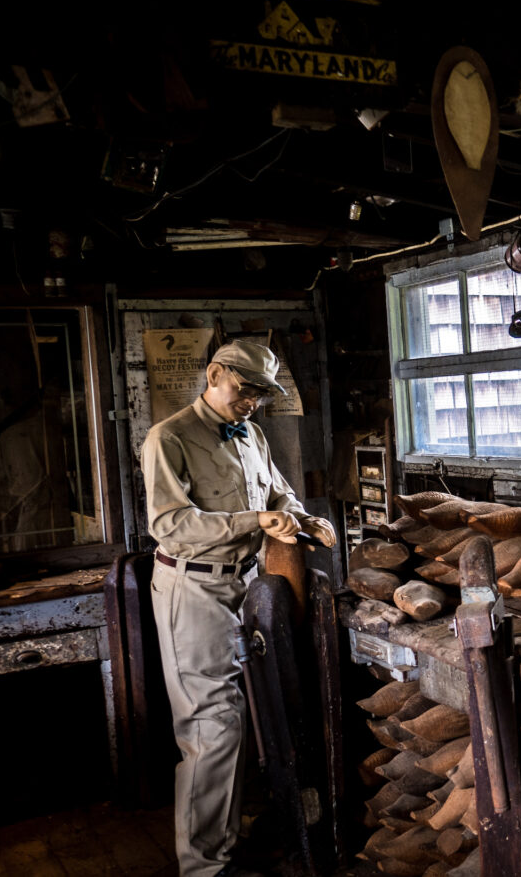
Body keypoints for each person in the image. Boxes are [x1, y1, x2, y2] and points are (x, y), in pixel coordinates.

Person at [141, 340, 335, 877]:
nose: (252, 402)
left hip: (246, 582)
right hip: (193, 587)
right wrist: (254, 522)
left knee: (249, 713)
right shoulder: (169, 437)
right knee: (212, 726)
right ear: (214, 374)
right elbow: (169, 524)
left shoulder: (251, 434)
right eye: (245, 390)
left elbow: (277, 495)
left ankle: (228, 835)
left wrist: (303, 518)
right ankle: (205, 867)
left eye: (261, 395)